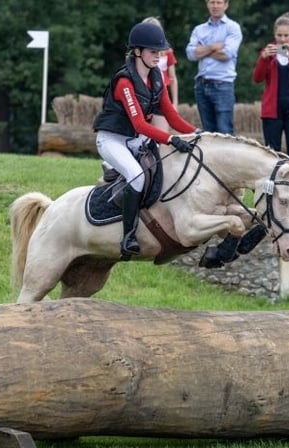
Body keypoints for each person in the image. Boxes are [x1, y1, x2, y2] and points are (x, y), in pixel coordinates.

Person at [93, 22, 198, 260]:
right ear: (138, 52)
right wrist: (171, 139)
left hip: (134, 139)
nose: (158, 56)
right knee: (137, 176)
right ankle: (128, 238)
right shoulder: (124, 82)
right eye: (153, 51)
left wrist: (199, 133)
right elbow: (140, 124)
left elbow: (171, 116)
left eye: (160, 52)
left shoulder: (156, 76)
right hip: (112, 140)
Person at [252, 12, 289, 159]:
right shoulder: (268, 52)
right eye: (279, 35)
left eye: (286, 35)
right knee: (271, 153)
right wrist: (263, 59)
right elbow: (257, 78)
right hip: (272, 110)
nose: (283, 39)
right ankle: (274, 175)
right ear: (274, 34)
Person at [186, 0, 243, 134]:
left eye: (218, 2)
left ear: (226, 5)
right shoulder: (199, 29)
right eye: (212, 2)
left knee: (225, 131)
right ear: (207, 4)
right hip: (201, 85)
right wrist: (213, 47)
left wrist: (203, 49)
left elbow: (227, 54)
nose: (215, 6)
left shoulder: (233, 27)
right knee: (208, 133)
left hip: (222, 85)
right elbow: (191, 54)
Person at [142, 17, 179, 132]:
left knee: (162, 134)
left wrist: (175, 103)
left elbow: (173, 78)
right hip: (144, 94)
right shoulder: (139, 53)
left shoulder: (167, 52)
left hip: (162, 95)